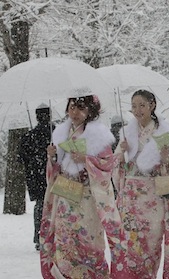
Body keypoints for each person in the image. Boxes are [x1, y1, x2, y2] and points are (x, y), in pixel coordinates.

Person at [42, 95, 127, 278]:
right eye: (72, 107)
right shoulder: (61, 133)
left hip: (88, 198)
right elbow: (56, 170)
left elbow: (107, 165)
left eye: (80, 108)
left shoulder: (98, 135)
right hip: (66, 195)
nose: (75, 112)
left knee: (89, 241)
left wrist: (86, 160)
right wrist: (53, 157)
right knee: (65, 240)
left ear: (90, 111)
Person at [114, 89, 169, 278]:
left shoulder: (164, 132)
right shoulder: (127, 132)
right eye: (134, 106)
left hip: (154, 197)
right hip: (130, 198)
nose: (137, 110)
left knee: (150, 246)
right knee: (130, 245)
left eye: (142, 105)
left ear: (152, 105)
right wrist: (122, 154)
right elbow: (117, 169)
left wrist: (166, 158)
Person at [18, 104, 53, 251]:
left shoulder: (29, 136)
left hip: (36, 177)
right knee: (55, 205)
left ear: (37, 116)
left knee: (40, 206)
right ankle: (54, 234)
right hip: (54, 175)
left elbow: (21, 158)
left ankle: (39, 235)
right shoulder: (56, 133)